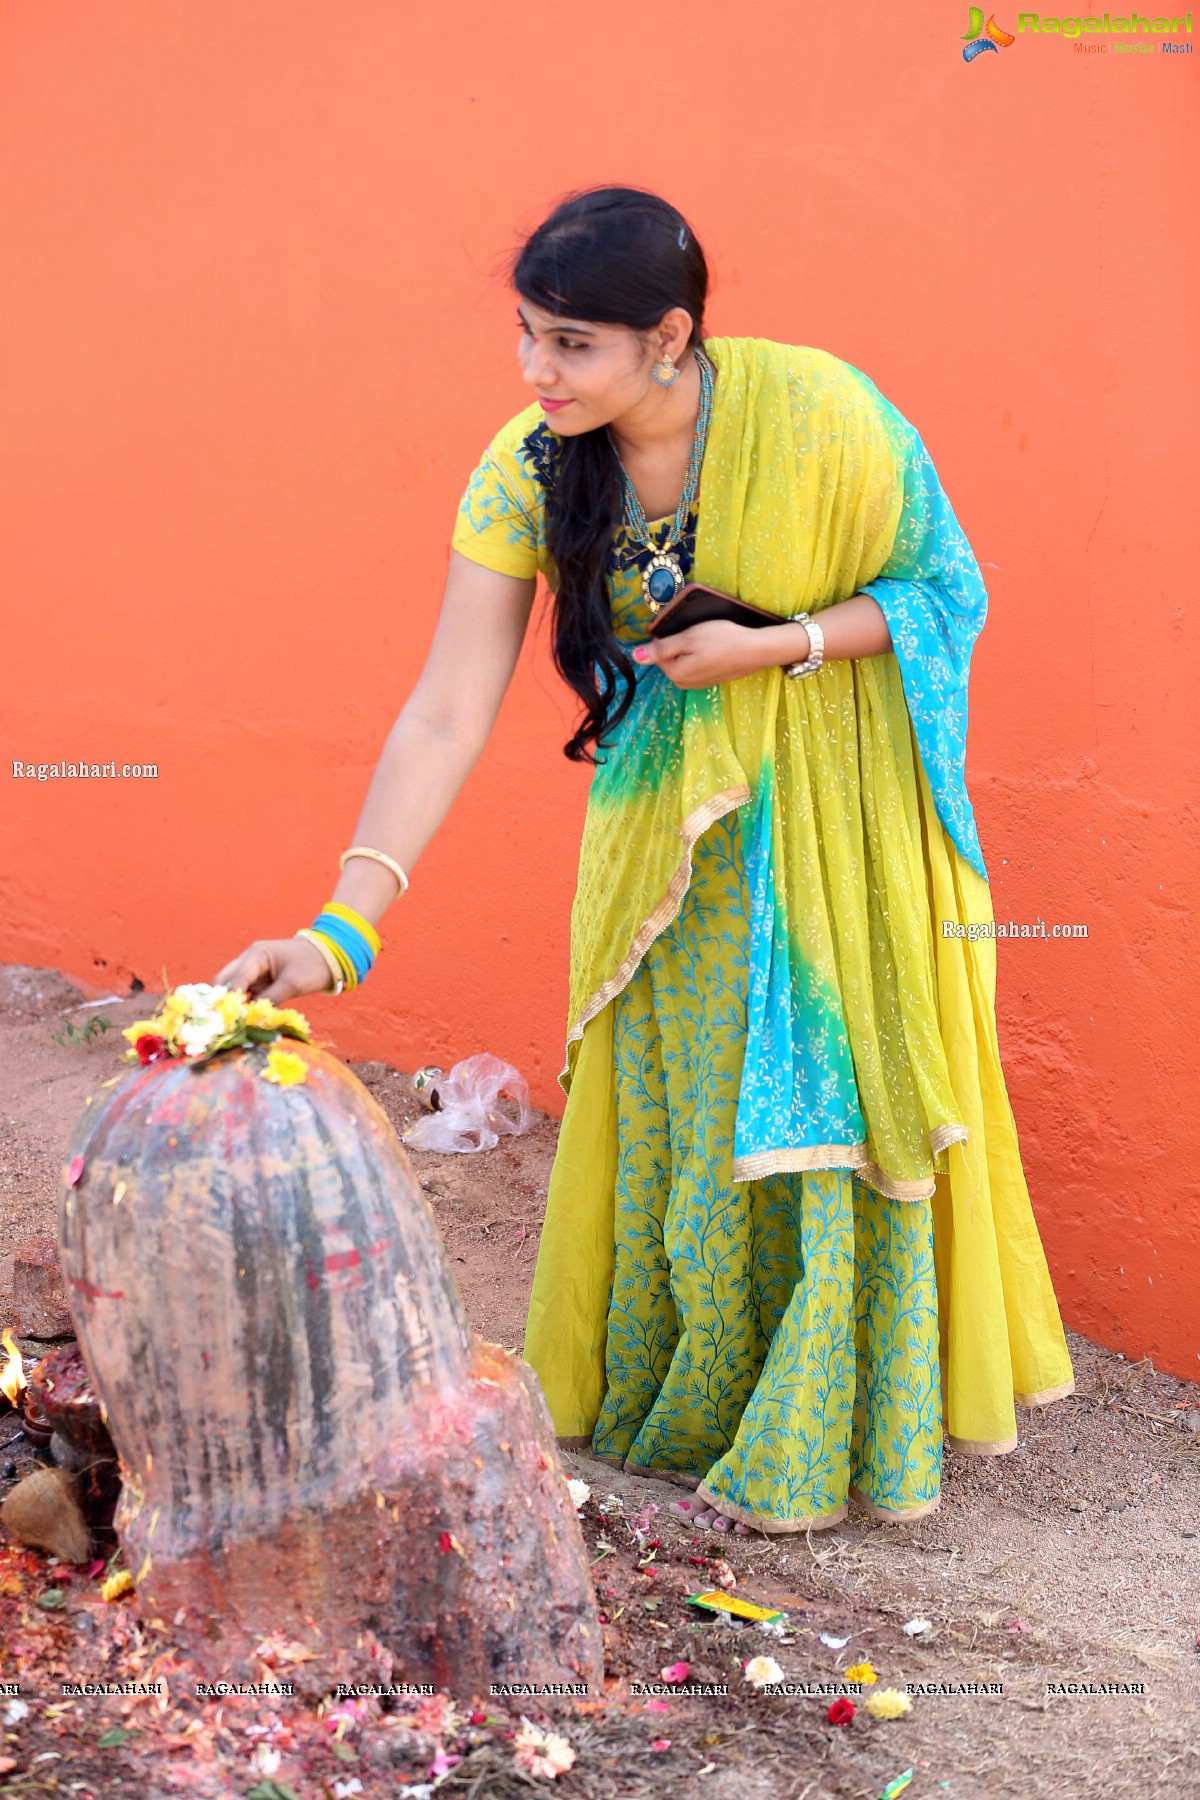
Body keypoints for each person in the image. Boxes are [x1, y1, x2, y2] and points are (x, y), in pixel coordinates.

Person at [216, 185, 1075, 1536]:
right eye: (526, 335)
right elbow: (446, 706)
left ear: (667, 337)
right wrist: (340, 929)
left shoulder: (825, 416)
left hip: (832, 819)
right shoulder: (529, 463)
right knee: (690, 1110)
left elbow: (947, 590)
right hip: (659, 843)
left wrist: (772, 645)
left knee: (821, 1093)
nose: (534, 372)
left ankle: (832, 1416)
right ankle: (708, 1398)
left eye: (571, 344)